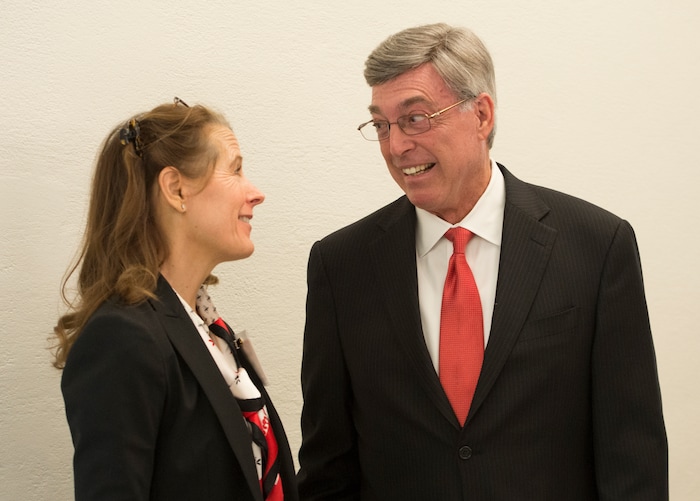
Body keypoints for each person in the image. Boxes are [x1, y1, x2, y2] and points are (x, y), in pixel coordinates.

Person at [297, 23, 667, 500]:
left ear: (482, 115)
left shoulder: (596, 246)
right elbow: (328, 466)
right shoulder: (340, 266)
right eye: (382, 125)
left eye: (416, 118)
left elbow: (633, 456)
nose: (396, 146)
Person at [54, 98, 298, 501]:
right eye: (235, 169)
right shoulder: (123, 338)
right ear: (175, 188)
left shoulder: (209, 330)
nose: (256, 193)